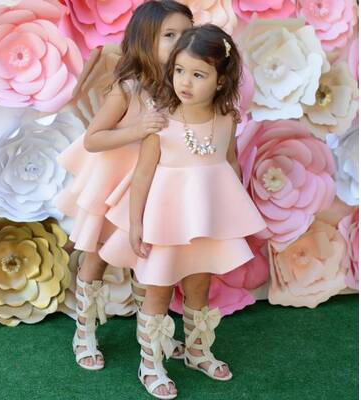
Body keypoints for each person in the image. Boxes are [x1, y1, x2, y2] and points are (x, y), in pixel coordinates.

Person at [98, 24, 267, 398]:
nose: (185, 82)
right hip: (166, 221)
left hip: (205, 219)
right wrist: (136, 224)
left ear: (221, 80)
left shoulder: (226, 119)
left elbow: (230, 163)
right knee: (157, 291)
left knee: (199, 286)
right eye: (179, 70)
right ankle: (150, 364)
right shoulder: (161, 121)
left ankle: (197, 351)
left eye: (198, 74)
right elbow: (143, 175)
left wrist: (233, 212)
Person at [56, 1, 193, 371]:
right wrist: (137, 128)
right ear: (145, 40)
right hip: (114, 182)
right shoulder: (128, 88)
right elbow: (93, 138)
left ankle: (151, 333)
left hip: (152, 185)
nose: (180, 41)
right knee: (99, 255)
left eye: (186, 33)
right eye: (169, 35)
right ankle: (84, 331)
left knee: (146, 253)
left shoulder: (183, 85)